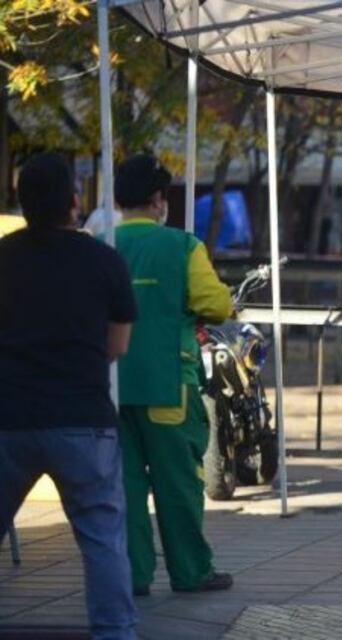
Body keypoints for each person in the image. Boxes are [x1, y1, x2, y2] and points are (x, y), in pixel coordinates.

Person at [0, 153, 138, 639]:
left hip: (8, 416)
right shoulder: (104, 260)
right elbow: (116, 346)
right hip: (83, 416)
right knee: (102, 538)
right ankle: (114, 632)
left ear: (20, 201)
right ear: (74, 202)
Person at [113, 154, 234, 596]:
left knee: (124, 487)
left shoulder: (100, 245)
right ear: (159, 200)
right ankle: (191, 572)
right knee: (178, 484)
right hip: (169, 385)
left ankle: (132, 576)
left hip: (111, 387)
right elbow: (215, 306)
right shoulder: (183, 246)